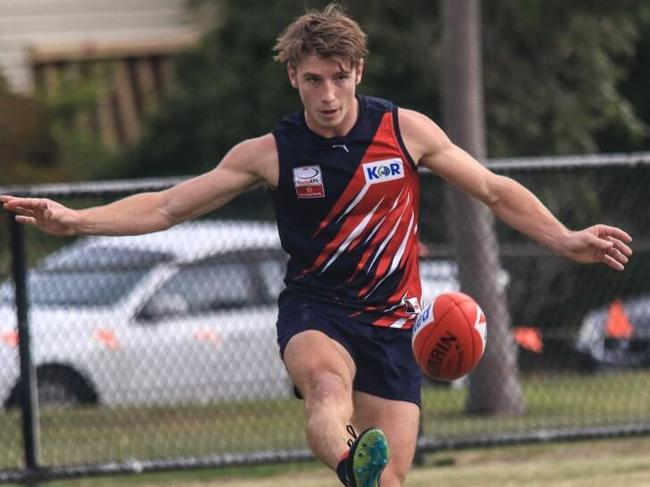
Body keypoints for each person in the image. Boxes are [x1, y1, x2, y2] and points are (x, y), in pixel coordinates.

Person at [0, 3, 633, 487]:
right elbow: (166, 207)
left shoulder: (404, 131)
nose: (327, 96)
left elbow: (493, 190)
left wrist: (566, 237)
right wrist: (75, 220)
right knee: (328, 390)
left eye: (338, 78)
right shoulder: (269, 154)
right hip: (317, 312)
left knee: (387, 483)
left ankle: (363, 469)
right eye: (312, 80)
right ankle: (349, 456)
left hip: (393, 326)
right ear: (292, 78)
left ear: (357, 70)